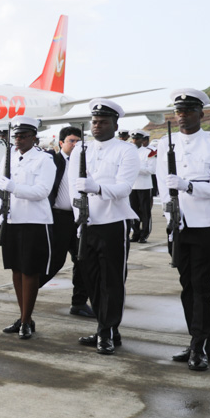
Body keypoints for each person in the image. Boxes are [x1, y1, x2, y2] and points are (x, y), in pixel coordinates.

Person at [69, 99, 139, 355]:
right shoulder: (79, 150)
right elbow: (72, 188)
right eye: (94, 122)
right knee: (92, 279)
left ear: (115, 124)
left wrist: (97, 188)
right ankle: (105, 326)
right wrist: (79, 221)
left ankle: (107, 330)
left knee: (111, 281)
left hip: (112, 222)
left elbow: (124, 188)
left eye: (103, 122)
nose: (97, 126)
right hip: (87, 224)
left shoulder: (125, 150)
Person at [156, 88, 210, 371]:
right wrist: (169, 217)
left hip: (207, 225)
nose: (182, 116)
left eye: (189, 111)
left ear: (201, 114)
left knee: (202, 287)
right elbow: (161, 188)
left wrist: (189, 185)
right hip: (179, 225)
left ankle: (201, 347)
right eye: (179, 112)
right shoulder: (165, 143)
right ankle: (196, 340)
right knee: (187, 287)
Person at [0, 117, 56, 339]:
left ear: (34, 138)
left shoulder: (44, 160)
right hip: (12, 220)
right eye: (16, 136)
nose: (18, 140)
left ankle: (27, 319)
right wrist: (1, 211)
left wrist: (15, 188)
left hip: (34, 221)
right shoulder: (9, 158)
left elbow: (42, 191)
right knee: (16, 270)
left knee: (30, 271)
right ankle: (23, 317)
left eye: (23, 136)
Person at [41, 126, 94, 318]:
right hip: (58, 218)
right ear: (61, 143)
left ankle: (79, 303)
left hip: (79, 218)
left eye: (79, 141)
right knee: (54, 261)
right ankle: (27, 290)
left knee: (83, 260)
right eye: (71, 141)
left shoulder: (85, 163)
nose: (75, 145)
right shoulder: (52, 161)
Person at [129, 130, 156, 243]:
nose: (135, 141)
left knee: (145, 211)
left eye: (138, 139)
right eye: (134, 139)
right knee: (133, 211)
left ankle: (144, 234)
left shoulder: (149, 152)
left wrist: (136, 169)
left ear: (143, 140)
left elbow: (152, 170)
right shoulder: (128, 151)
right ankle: (135, 234)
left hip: (144, 185)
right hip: (132, 186)